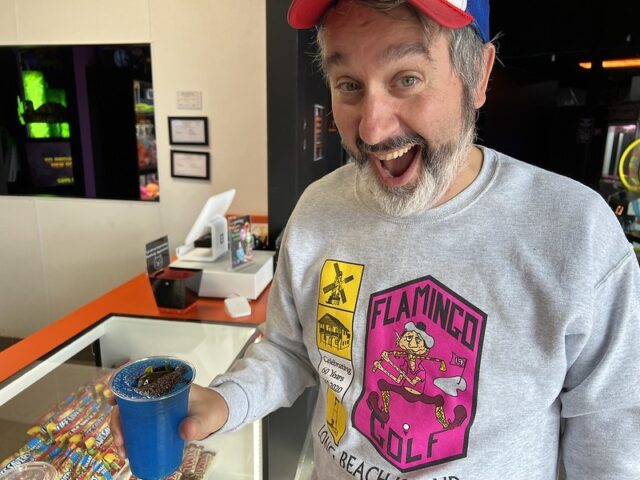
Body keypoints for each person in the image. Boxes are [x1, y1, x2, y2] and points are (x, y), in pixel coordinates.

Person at [110, 0, 640, 478]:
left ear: (478, 75)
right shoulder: (319, 210)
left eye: (406, 78)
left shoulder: (575, 233)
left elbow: (611, 437)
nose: (372, 129)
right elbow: (291, 350)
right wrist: (225, 401)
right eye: (348, 85)